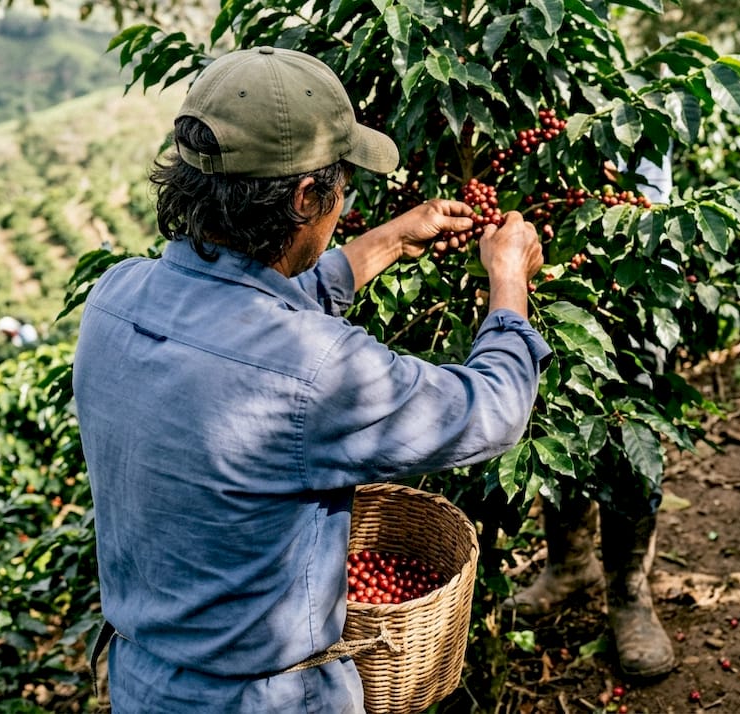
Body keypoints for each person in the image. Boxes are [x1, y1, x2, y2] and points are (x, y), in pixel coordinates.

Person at [71, 46, 548, 713]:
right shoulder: (314, 370)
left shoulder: (114, 299)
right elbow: (491, 412)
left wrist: (385, 243)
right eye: (340, 186)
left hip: (143, 681)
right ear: (304, 198)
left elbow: (244, 321)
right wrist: (507, 283)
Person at [502, 148, 679, 682]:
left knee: (627, 421)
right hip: (550, 255)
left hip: (632, 266)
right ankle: (571, 566)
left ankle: (628, 592)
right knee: (558, 417)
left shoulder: (640, 103)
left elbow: (647, 195)